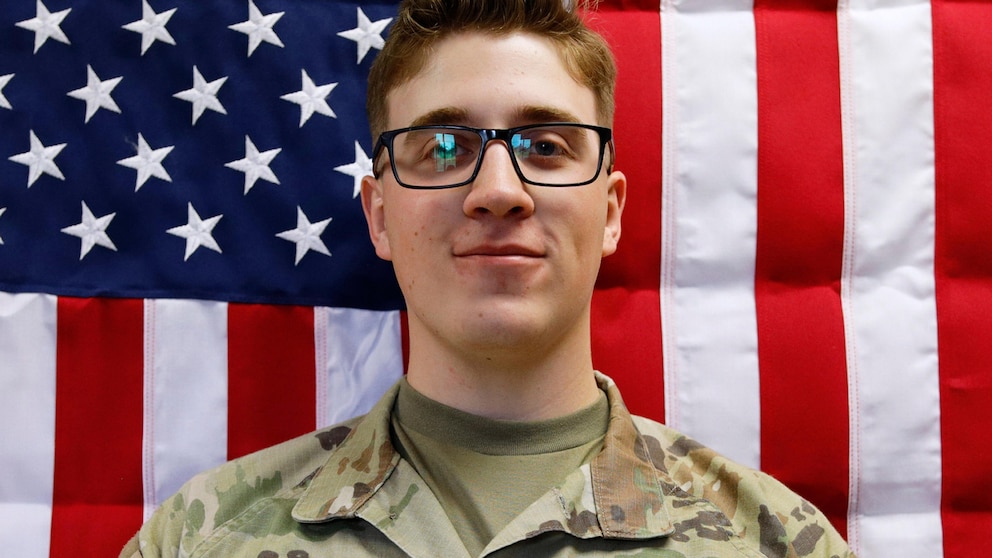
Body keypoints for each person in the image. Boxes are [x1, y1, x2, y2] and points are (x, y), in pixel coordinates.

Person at [121, 0, 855, 556]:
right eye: (443, 147)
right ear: (379, 216)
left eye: (546, 146)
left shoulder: (778, 543)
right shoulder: (201, 539)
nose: (499, 190)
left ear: (610, 212)